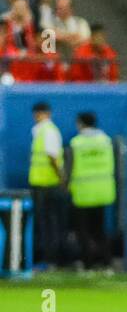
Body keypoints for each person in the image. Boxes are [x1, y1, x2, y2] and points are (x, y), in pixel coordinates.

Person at [66, 112, 116, 270]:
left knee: (83, 231)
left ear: (80, 123)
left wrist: (66, 184)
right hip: (102, 191)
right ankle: (107, 263)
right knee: (100, 230)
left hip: (83, 192)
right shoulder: (105, 141)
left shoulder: (77, 142)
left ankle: (88, 264)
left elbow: (69, 166)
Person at [28, 101, 66, 268]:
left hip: (49, 184)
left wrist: (61, 179)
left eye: (40, 112)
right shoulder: (41, 131)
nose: (37, 116)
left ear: (46, 113)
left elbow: (52, 157)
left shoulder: (49, 131)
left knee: (49, 223)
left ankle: (52, 259)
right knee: (45, 222)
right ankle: (46, 258)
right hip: (40, 183)